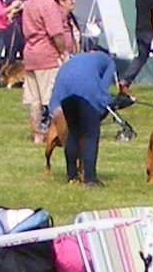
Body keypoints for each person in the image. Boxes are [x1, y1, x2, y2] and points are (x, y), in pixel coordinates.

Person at [47, 41, 121, 184]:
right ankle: (90, 179)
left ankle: (72, 176)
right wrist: (114, 101)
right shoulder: (109, 61)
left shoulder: (77, 57)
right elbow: (102, 90)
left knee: (74, 132)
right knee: (90, 135)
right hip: (85, 87)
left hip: (63, 88)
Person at [16, 0, 76, 148]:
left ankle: (37, 135)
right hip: (47, 56)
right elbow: (56, 33)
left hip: (30, 55)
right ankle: (60, 135)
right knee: (53, 98)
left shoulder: (28, 4)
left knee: (33, 100)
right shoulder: (49, 5)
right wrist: (63, 52)